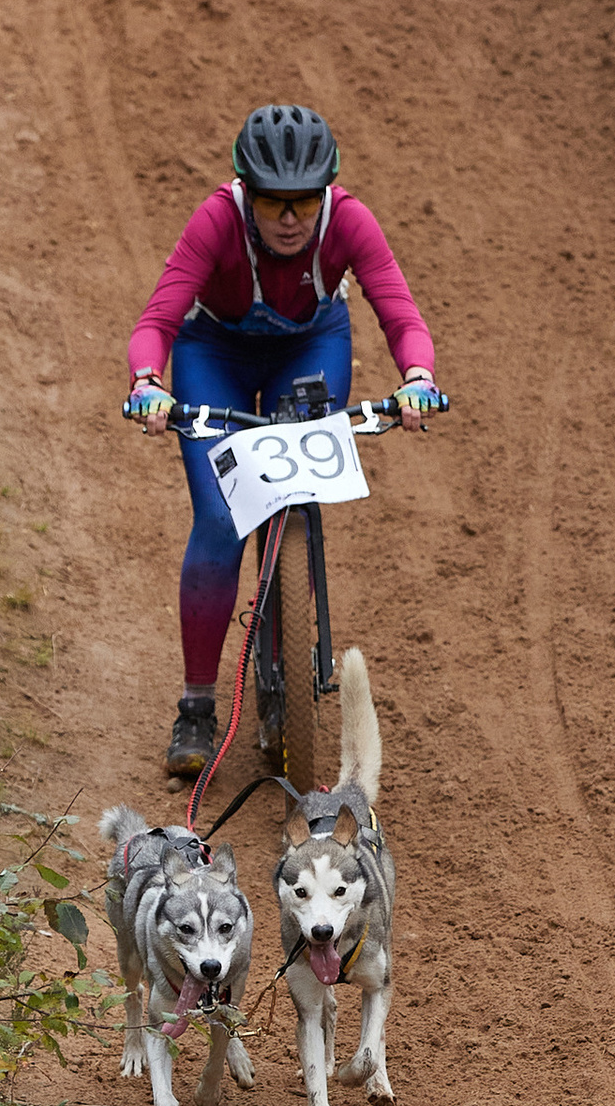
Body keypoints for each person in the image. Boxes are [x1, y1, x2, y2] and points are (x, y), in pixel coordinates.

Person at [125, 103, 443, 780]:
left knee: (289, 502)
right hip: (216, 355)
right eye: (275, 203)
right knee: (220, 519)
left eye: (305, 201)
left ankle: (285, 690)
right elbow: (159, 314)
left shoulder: (349, 219)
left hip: (309, 348)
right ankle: (197, 707)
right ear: (248, 193)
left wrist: (417, 376)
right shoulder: (216, 218)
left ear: (325, 193)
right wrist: (148, 381)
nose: (292, 219)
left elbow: (398, 308)